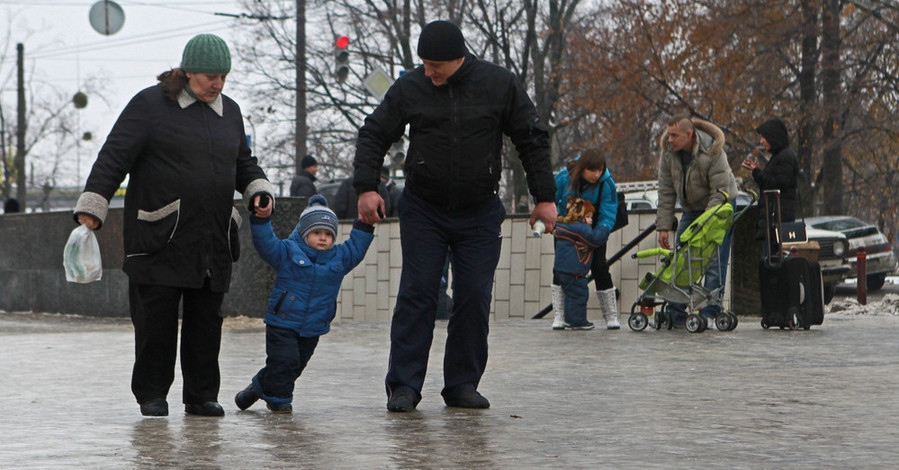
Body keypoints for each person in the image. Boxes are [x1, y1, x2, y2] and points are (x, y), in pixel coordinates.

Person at [352, 20, 556, 412]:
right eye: (424, 64)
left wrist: (544, 198)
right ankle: (404, 386)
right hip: (424, 209)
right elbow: (374, 132)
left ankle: (462, 384)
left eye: (435, 65)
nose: (428, 72)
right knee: (418, 293)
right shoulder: (412, 86)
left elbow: (531, 136)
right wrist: (366, 187)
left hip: (479, 212)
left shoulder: (499, 84)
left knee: (474, 296)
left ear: (458, 58)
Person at [72, 33, 275, 417]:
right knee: (156, 324)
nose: (217, 84)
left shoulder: (229, 111)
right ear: (187, 73)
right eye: (210, 77)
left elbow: (243, 161)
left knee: (206, 324)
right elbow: (114, 156)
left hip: (211, 237)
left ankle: (201, 396)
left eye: (223, 77)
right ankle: (152, 395)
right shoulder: (150, 105)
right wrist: (94, 205)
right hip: (159, 235)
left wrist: (256, 190)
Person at [234, 194, 374, 414]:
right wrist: (261, 219)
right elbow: (266, 243)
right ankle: (279, 401)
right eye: (317, 232)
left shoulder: (339, 258)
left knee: (294, 365)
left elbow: (356, 247)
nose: (322, 238)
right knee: (285, 361)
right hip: (282, 321)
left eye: (328, 234)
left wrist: (365, 224)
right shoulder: (288, 252)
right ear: (304, 233)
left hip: (314, 326)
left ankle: (256, 388)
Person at [656, 115, 738, 326]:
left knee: (713, 259)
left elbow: (719, 192)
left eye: (675, 135)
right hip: (691, 208)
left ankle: (710, 312)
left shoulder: (712, 151)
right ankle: (676, 312)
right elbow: (665, 191)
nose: (670, 139)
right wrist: (663, 227)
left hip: (719, 207)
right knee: (682, 258)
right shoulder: (668, 153)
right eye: (669, 134)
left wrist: (705, 225)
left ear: (689, 135)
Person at [551, 149, 619, 330]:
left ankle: (611, 315)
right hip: (566, 231)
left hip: (593, 231)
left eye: (600, 170)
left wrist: (598, 236)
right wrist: (555, 225)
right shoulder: (564, 178)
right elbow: (550, 201)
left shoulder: (607, 184)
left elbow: (609, 213)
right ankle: (560, 315)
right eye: (592, 170)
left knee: (599, 267)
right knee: (561, 269)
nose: (597, 175)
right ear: (582, 168)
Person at [742, 118, 800, 255]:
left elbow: (777, 185)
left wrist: (757, 173)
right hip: (774, 220)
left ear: (773, 137)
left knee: (772, 261)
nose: (761, 141)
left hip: (777, 221)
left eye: (764, 137)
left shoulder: (784, 157)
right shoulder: (780, 156)